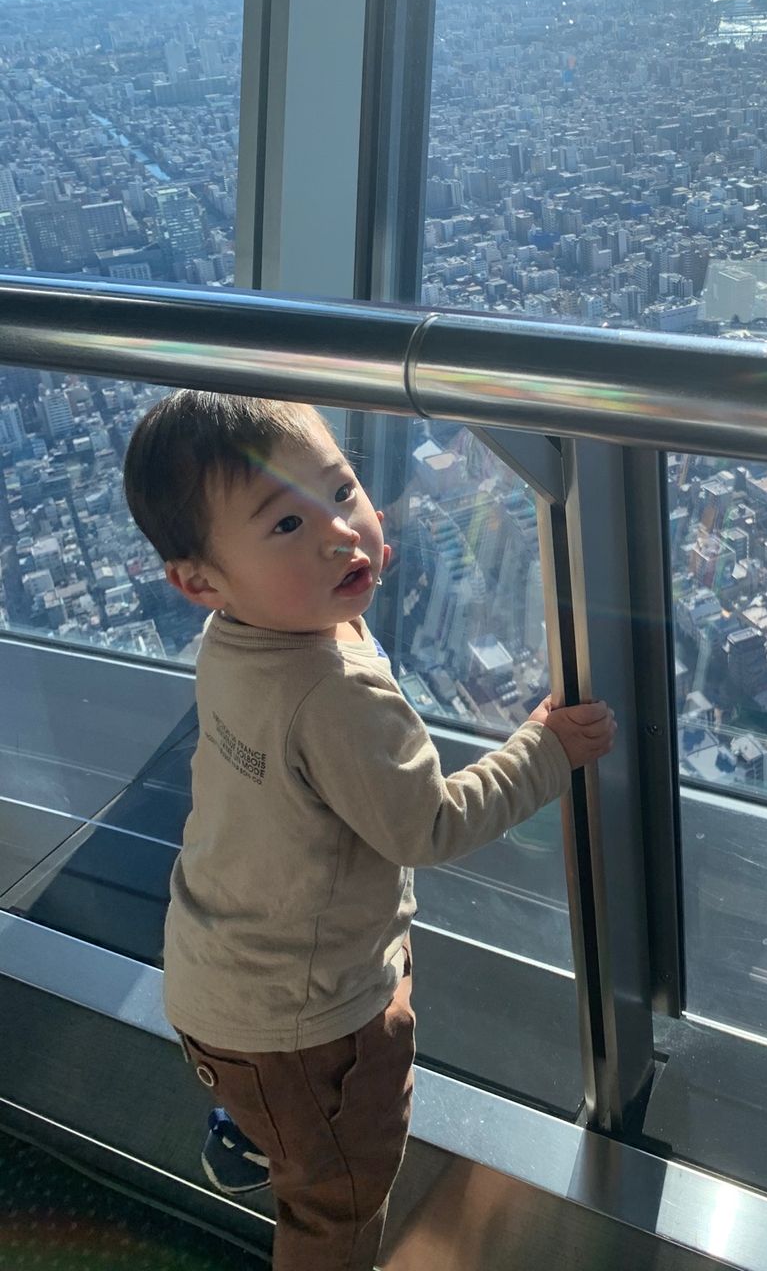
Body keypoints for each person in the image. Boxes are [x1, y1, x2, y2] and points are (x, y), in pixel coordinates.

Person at [122, 391, 616, 1271]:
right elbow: (429, 824)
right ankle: (287, 1147)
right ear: (200, 579)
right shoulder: (334, 692)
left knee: (275, 1107)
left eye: (342, 491)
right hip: (310, 1029)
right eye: (284, 526)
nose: (339, 535)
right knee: (341, 1201)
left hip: (216, 972)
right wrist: (544, 752)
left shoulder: (232, 636)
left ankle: (254, 1129)